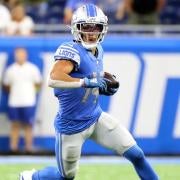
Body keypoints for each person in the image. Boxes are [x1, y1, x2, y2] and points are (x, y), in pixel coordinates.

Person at [19, 4, 159, 180]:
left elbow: (90, 78)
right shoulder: (70, 50)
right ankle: (31, 177)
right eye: (86, 27)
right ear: (76, 28)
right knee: (66, 177)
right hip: (72, 126)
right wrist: (87, 82)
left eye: (96, 27)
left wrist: (102, 85)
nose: (92, 32)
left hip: (95, 117)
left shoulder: (98, 49)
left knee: (136, 154)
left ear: (103, 29)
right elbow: (54, 79)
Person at [3, 47, 42, 154]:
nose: (20, 56)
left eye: (22, 54)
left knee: (28, 125)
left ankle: (28, 148)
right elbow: (6, 85)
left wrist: (30, 93)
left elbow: (38, 83)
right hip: (14, 102)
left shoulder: (32, 68)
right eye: (18, 54)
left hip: (28, 101)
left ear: (26, 55)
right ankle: (13, 148)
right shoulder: (10, 69)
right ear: (15, 55)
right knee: (14, 124)